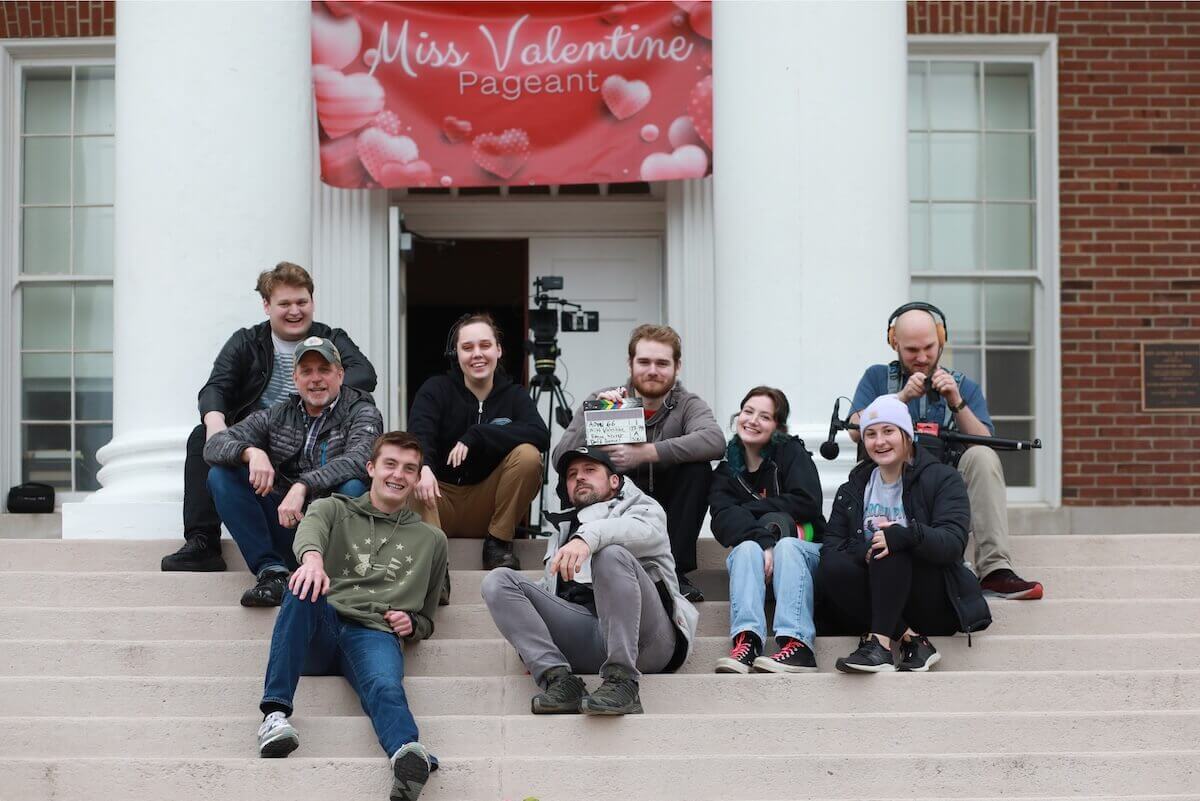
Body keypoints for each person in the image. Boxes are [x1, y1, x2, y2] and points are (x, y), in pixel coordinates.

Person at [254, 431, 447, 801]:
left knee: (386, 687)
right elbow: (308, 533)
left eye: (409, 468)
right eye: (390, 464)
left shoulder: (432, 539)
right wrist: (312, 559)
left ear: (417, 476)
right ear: (371, 468)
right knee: (300, 584)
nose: (398, 475)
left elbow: (428, 614)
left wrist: (414, 624)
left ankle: (406, 754)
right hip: (321, 626)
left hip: (374, 631)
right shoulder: (332, 508)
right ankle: (274, 717)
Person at [162, 262, 377, 572]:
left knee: (355, 482)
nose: (294, 311)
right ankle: (203, 541)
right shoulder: (247, 342)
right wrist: (217, 423)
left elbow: (366, 375)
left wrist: (318, 398)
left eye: (302, 302)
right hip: (265, 436)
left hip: (320, 442)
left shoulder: (331, 338)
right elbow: (216, 387)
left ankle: (340, 564)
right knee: (203, 438)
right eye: (284, 303)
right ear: (267, 306)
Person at [481, 446, 699, 716]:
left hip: (647, 639)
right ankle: (560, 680)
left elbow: (641, 532)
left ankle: (623, 681)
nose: (579, 478)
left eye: (590, 470)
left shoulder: (644, 508)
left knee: (610, 555)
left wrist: (587, 539)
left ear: (614, 481)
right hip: (589, 637)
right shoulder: (563, 529)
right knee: (498, 581)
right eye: (572, 475)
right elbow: (551, 590)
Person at [849, 302, 1043, 600]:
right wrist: (899, 398)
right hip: (893, 480)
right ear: (894, 343)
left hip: (943, 483)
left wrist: (956, 400)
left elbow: (984, 442)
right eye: (912, 350)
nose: (923, 357)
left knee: (982, 456)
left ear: (941, 339)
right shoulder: (877, 378)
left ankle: (994, 571)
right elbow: (853, 429)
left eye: (929, 347)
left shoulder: (963, 385)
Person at [204, 336, 383, 606]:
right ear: (295, 378)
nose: (316, 379)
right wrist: (252, 453)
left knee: (354, 487)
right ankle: (272, 572)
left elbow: (360, 459)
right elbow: (214, 445)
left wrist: (303, 486)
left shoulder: (362, 410)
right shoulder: (278, 414)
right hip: (287, 523)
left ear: (340, 374)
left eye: (324, 370)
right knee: (221, 475)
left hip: (332, 531)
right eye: (307, 371)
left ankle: (338, 574)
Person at [819, 395, 990, 673]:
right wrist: (866, 551)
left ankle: (880, 647)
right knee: (831, 565)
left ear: (907, 435)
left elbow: (953, 543)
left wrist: (906, 536)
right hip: (874, 597)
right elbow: (830, 547)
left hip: (932, 597)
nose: (880, 441)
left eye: (888, 431)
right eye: (871, 434)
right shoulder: (853, 488)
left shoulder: (943, 478)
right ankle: (909, 638)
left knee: (893, 545)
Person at [553, 324, 724, 602]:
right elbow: (560, 457)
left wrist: (647, 453)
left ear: (677, 367)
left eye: (662, 363)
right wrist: (595, 418)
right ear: (630, 363)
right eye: (644, 361)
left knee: (698, 470)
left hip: (667, 508)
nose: (652, 370)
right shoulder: (604, 399)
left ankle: (675, 574)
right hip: (613, 505)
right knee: (581, 475)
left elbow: (714, 441)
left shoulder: (688, 404)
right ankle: (580, 576)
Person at [407, 313, 547, 573]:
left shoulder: (514, 395)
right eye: (467, 347)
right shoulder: (436, 389)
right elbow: (419, 433)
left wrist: (479, 434)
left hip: (489, 507)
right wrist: (423, 466)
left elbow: (540, 434)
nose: (477, 354)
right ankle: (435, 571)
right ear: (456, 353)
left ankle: (498, 545)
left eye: (485, 345)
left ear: (498, 349)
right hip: (439, 501)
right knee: (411, 472)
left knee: (528, 456)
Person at [709, 387, 826, 674]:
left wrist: (747, 510)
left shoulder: (791, 453)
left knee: (786, 546)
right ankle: (747, 642)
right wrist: (763, 540)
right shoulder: (726, 472)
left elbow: (807, 502)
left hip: (807, 554)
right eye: (748, 412)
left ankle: (798, 646)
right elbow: (722, 520)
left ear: (778, 426)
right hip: (761, 560)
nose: (752, 420)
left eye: (764, 416)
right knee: (746, 547)